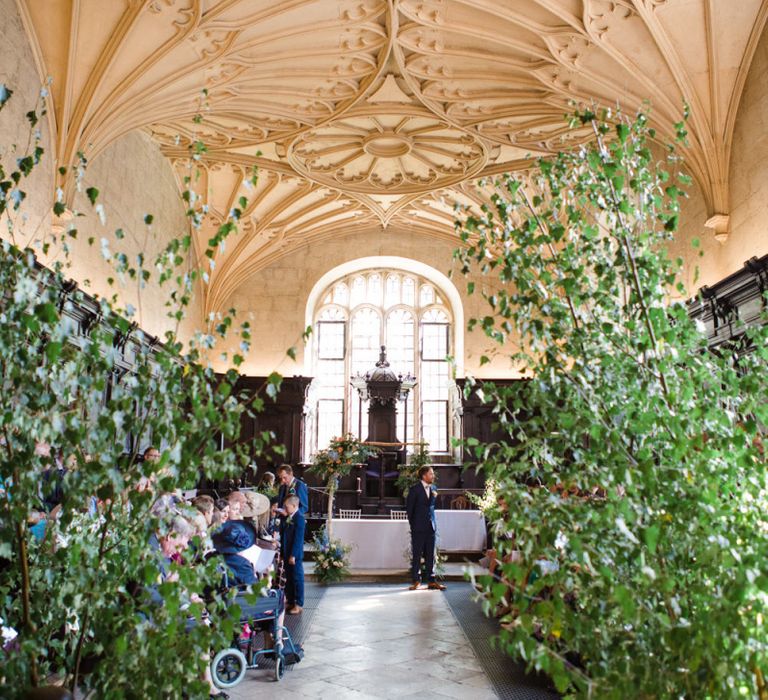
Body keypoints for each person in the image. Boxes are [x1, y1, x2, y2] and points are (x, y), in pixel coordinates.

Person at [405, 466, 446, 591]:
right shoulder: (414, 489)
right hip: (418, 527)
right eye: (431, 474)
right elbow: (409, 510)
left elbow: (432, 507)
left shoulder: (434, 488)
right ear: (424, 476)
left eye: (432, 474)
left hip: (430, 526)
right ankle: (417, 580)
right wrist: (414, 525)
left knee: (430, 554)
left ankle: (432, 581)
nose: (433, 476)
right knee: (417, 554)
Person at [280, 495, 305, 614]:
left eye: (287, 506)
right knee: (289, 578)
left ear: (294, 506)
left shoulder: (299, 518)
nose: (285, 507)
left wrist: (293, 555)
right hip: (286, 551)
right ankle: (290, 601)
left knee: (297, 578)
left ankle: (299, 604)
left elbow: (298, 539)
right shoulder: (289, 516)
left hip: (294, 554)